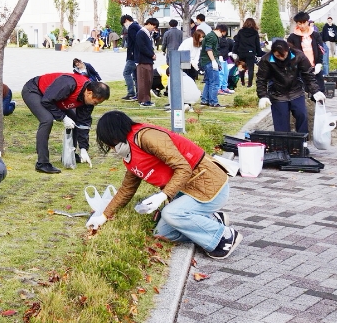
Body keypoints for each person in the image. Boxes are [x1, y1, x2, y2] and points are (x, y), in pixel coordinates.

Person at [88, 111, 241, 260]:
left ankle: (224, 237)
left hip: (208, 186)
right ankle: (210, 220)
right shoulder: (129, 153)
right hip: (187, 192)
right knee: (163, 233)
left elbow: (183, 168)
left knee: (171, 214)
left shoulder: (147, 137)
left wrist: (162, 196)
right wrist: (102, 216)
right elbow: (126, 190)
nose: (111, 148)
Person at [21, 72, 110, 173]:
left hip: (54, 98)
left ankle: (69, 155)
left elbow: (83, 123)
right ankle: (42, 163)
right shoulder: (69, 84)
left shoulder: (88, 100)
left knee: (74, 121)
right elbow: (46, 101)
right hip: (34, 90)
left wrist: (83, 148)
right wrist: (63, 117)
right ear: (89, 93)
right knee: (47, 120)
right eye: (95, 102)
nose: (95, 105)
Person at [255, 39, 323, 133]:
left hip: (296, 91)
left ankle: (302, 144)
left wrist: (315, 90)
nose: (281, 58)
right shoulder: (266, 60)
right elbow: (261, 79)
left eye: (283, 55)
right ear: (273, 52)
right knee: (281, 123)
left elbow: (308, 74)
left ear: (288, 50)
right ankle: (283, 146)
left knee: (302, 115)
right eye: (278, 56)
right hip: (277, 94)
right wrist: (263, 95)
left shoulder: (298, 56)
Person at [287, 12, 325, 93]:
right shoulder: (292, 37)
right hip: (300, 69)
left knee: (319, 90)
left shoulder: (315, 35)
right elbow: (290, 54)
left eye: (304, 23)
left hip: (315, 68)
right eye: (299, 24)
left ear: (308, 22)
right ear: (297, 24)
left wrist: (319, 63)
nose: (302, 26)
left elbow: (320, 50)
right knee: (303, 92)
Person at [134, 17, 157, 107]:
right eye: (153, 27)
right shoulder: (141, 33)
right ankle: (143, 100)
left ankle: (147, 99)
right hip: (143, 60)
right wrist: (151, 54)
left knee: (148, 80)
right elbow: (142, 47)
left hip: (147, 60)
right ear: (149, 24)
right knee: (143, 80)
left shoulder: (147, 33)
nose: (153, 29)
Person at [233, 18, 261, 88]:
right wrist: (259, 53)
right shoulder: (255, 32)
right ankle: (250, 84)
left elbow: (237, 42)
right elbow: (257, 44)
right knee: (251, 69)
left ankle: (242, 82)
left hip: (241, 52)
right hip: (251, 52)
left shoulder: (240, 32)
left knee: (242, 67)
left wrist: (234, 51)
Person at [199, 25, 222, 108]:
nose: (221, 36)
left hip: (206, 61)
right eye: (222, 34)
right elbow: (209, 49)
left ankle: (205, 99)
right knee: (215, 82)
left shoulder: (210, 35)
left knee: (209, 82)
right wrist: (213, 61)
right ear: (219, 30)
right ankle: (213, 101)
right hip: (209, 61)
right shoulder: (212, 36)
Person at [120, 15, 138, 101]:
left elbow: (134, 42)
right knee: (135, 75)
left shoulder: (132, 27)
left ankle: (131, 93)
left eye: (124, 23)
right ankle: (138, 93)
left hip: (132, 56)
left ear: (126, 20)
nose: (124, 26)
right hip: (136, 55)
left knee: (126, 73)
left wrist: (131, 53)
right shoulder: (137, 26)